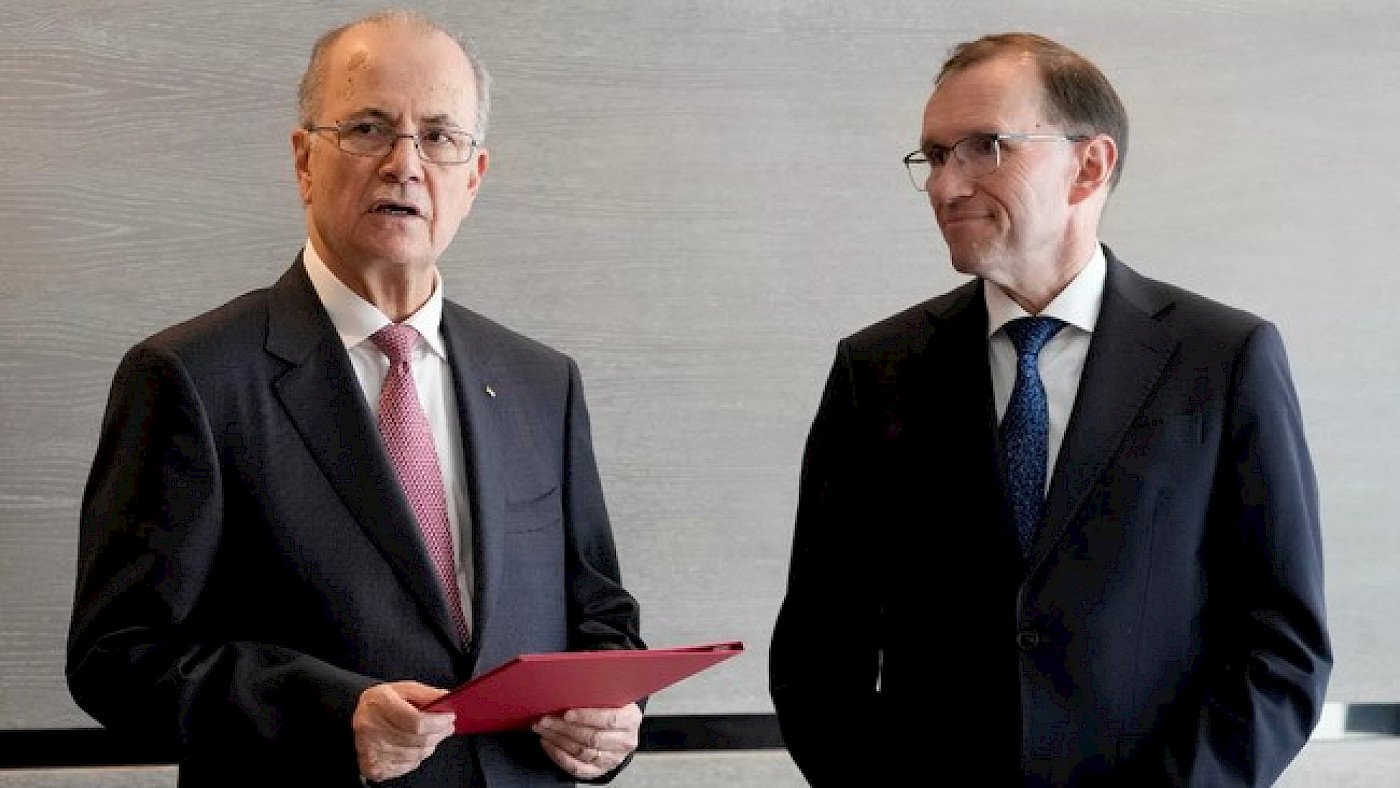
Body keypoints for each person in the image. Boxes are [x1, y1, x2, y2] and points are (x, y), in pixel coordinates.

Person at [66, 11, 644, 786]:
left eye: (439, 137)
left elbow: (602, 617)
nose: (405, 164)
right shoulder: (190, 377)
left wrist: (615, 716)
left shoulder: (542, 382)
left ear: (473, 177)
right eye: (369, 128)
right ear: (304, 159)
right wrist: (331, 716)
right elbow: (117, 659)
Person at [770, 32, 1330, 786]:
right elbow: (816, 650)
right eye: (934, 157)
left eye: (983, 148)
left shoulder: (1224, 358)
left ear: (1088, 165)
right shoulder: (876, 369)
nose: (945, 186)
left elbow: (1283, 642)